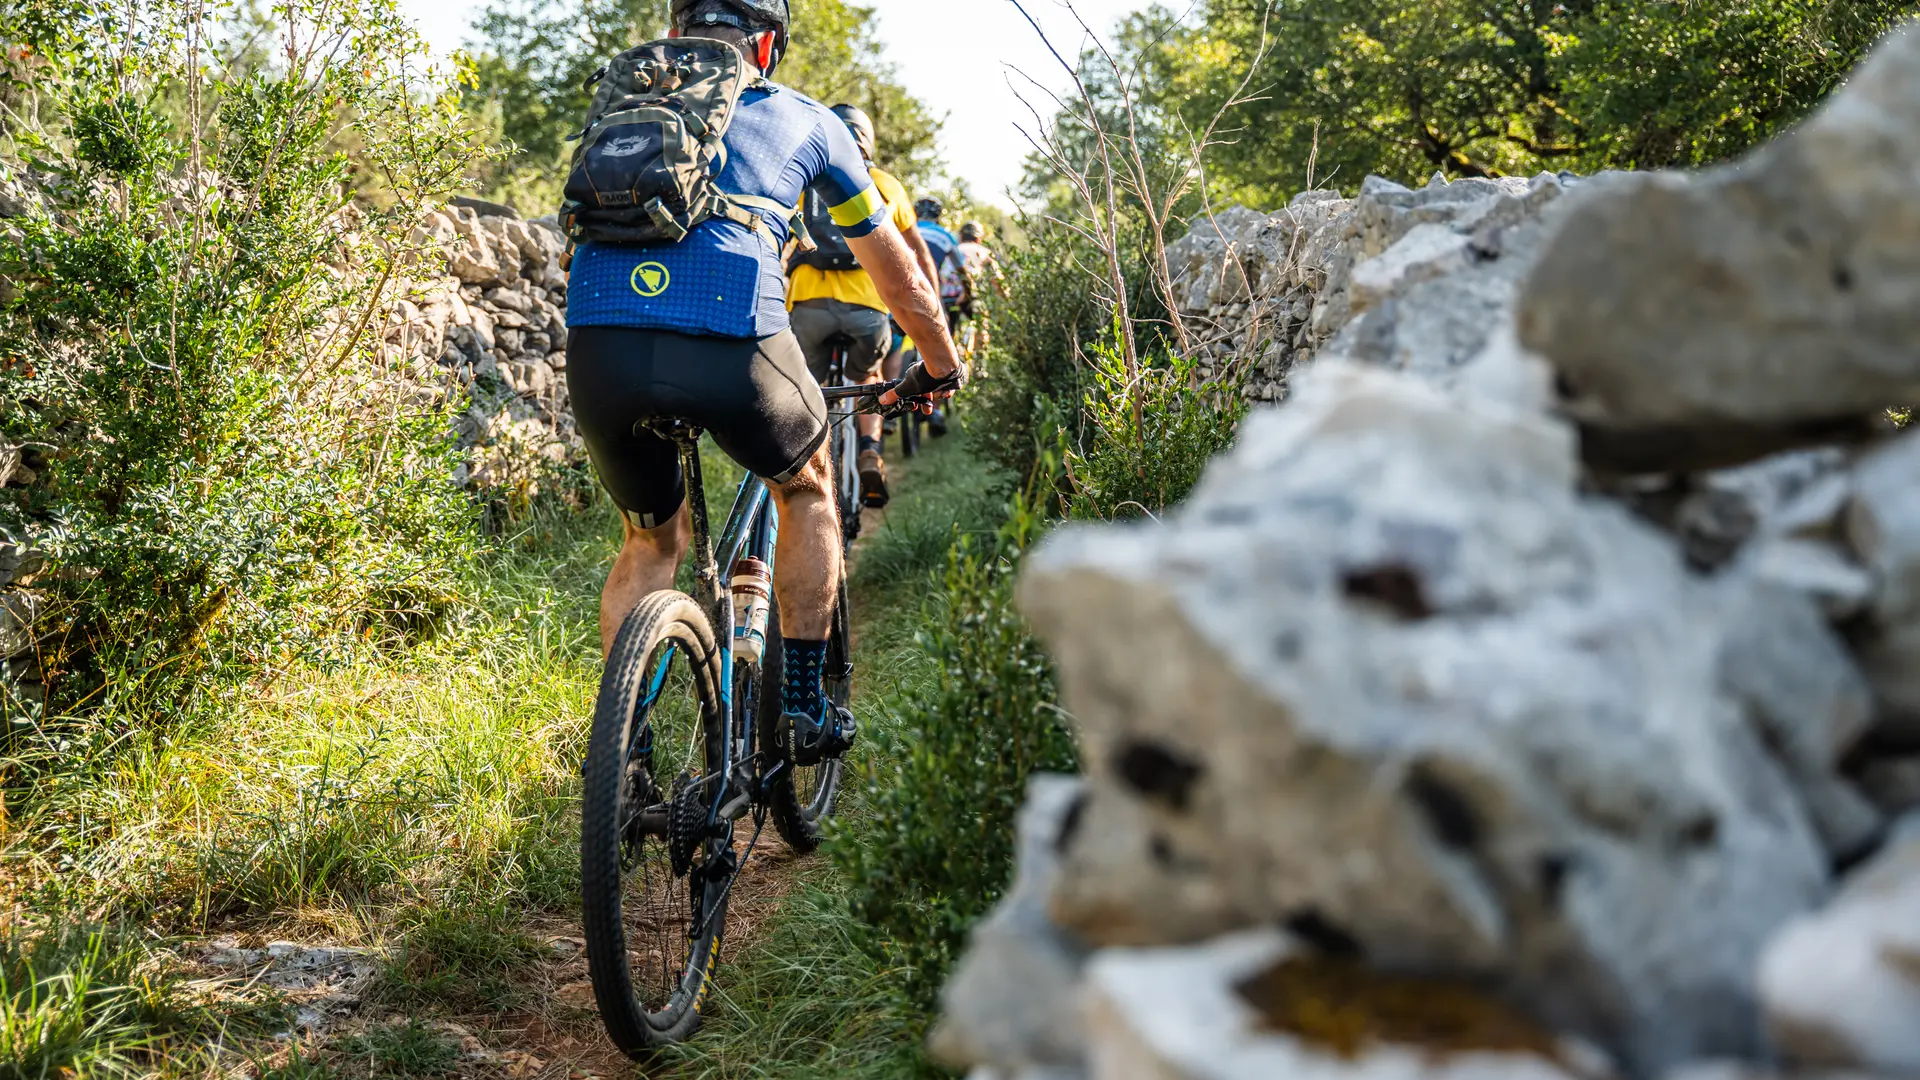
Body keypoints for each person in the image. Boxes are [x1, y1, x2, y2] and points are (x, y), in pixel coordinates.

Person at [564, 0, 965, 766]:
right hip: (733, 341)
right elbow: (901, 279)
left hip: (600, 345)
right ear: (770, 43)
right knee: (808, 487)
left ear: (676, 34)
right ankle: (804, 705)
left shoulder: (620, 110)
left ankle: (622, 753)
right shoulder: (812, 122)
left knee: (651, 539)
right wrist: (941, 364)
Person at [786, 104, 942, 508]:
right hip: (868, 311)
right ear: (868, 141)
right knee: (869, 376)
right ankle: (870, 451)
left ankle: (808, 467)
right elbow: (919, 254)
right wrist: (934, 307)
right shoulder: (886, 185)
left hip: (808, 306)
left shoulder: (805, 175)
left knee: (807, 389)